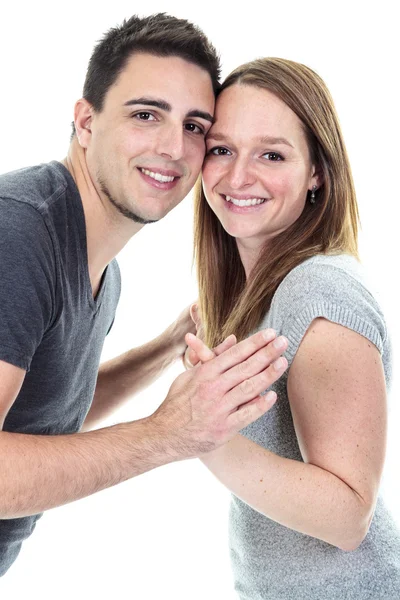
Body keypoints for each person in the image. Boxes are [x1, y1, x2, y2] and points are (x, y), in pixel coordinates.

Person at [0, 15, 289, 577]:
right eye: (146, 115)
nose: (173, 147)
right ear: (86, 121)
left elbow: (48, 416)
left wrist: (166, 347)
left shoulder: (99, 265)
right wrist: (168, 434)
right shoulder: (19, 235)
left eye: (195, 127)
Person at [187, 57, 400, 598]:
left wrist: (197, 434)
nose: (238, 176)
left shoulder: (318, 290)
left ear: (316, 173)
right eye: (222, 149)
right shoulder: (263, 294)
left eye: (272, 154)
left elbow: (348, 515)